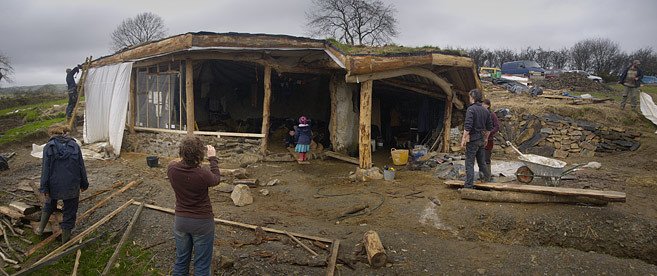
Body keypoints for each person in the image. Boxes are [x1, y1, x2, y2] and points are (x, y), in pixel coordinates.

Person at [168, 137, 220, 275]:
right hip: (202, 223)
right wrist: (213, 158)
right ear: (200, 155)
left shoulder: (172, 169)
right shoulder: (203, 174)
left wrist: (186, 155)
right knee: (202, 265)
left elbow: (176, 162)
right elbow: (216, 179)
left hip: (181, 222)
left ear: (181, 152)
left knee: (181, 261)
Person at [38, 124, 89, 243]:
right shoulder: (75, 146)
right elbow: (81, 166)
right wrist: (84, 184)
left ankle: (40, 230)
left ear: (52, 134)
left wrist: (44, 188)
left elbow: (45, 169)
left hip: (53, 184)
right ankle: (65, 241)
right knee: (70, 210)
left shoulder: (48, 147)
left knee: (50, 203)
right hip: (72, 184)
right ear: (64, 133)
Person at [460, 89, 493, 189]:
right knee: (481, 162)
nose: (469, 99)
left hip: (473, 139)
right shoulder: (485, 110)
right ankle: (487, 181)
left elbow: (468, 126)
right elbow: (489, 127)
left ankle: (469, 185)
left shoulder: (471, 109)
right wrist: (486, 139)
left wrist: (463, 139)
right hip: (481, 139)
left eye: (470, 97)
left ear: (473, 98)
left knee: (469, 163)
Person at [482, 99, 500, 177]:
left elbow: (496, 126)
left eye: (484, 104)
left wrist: (489, 133)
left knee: (486, 158)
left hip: (489, 140)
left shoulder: (492, 115)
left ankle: (487, 175)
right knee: (480, 158)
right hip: (480, 139)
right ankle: (482, 175)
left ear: (488, 105)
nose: (483, 106)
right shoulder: (480, 114)